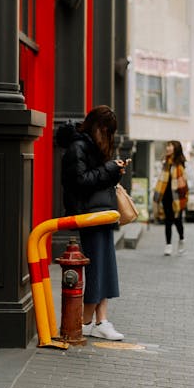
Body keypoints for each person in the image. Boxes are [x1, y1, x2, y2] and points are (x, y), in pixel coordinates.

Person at [56, 105, 128, 341]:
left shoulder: (91, 146)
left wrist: (114, 171)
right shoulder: (78, 148)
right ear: (97, 127)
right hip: (90, 214)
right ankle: (86, 321)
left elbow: (95, 177)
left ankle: (101, 320)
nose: (108, 137)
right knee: (98, 268)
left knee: (105, 267)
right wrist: (109, 168)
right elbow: (79, 181)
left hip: (101, 212)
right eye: (106, 131)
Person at [152, 141, 188, 256]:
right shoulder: (165, 162)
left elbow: (183, 183)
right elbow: (161, 179)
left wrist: (183, 198)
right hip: (166, 196)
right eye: (167, 146)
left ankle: (181, 239)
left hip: (176, 197)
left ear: (175, 148)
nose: (167, 148)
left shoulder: (180, 164)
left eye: (170, 146)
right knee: (168, 220)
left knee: (177, 221)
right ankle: (168, 245)